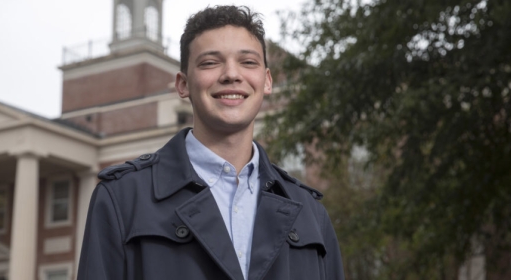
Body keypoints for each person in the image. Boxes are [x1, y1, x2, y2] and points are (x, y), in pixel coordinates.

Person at [77, 5, 344, 280]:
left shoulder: (311, 214)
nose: (231, 74)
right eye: (210, 62)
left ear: (266, 81)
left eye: (248, 62)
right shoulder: (122, 200)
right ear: (183, 84)